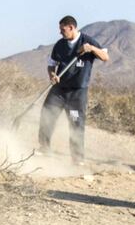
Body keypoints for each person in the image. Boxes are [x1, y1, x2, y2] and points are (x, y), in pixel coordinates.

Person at [37, 16, 108, 163]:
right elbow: (51, 64)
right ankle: (44, 148)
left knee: (76, 124)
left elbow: (105, 57)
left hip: (77, 92)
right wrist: (53, 75)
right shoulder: (60, 45)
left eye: (63, 29)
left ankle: (77, 159)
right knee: (47, 116)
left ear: (71, 27)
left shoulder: (88, 41)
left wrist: (92, 49)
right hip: (59, 90)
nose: (60, 32)